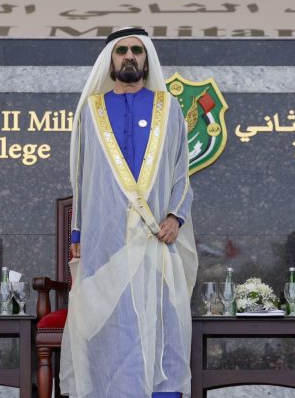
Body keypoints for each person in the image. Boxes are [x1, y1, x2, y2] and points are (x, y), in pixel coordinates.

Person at [60, 28, 198, 398]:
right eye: (121, 51)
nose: (129, 56)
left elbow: (182, 171)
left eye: (137, 50)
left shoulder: (168, 108)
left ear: (147, 59)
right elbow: (81, 178)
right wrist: (78, 234)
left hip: (157, 238)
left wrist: (176, 216)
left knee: (162, 322)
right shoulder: (92, 111)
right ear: (110, 60)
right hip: (105, 240)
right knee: (109, 325)